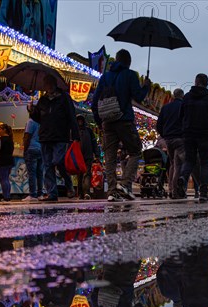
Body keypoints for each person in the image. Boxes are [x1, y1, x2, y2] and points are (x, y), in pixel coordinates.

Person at [91, 49, 151, 202]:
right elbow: (138, 97)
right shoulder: (130, 75)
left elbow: (95, 101)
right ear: (128, 62)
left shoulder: (105, 77)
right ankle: (125, 184)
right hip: (124, 120)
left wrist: (100, 122)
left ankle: (112, 191)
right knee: (135, 151)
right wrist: (146, 87)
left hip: (107, 122)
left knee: (110, 158)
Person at [176, 73, 208, 203]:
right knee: (204, 163)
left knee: (189, 160)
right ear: (207, 84)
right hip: (204, 134)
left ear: (195, 82)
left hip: (188, 134)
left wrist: (185, 127)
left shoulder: (186, 97)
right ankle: (203, 192)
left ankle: (184, 177)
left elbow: (180, 116)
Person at [32, 74, 79, 202]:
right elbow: (38, 118)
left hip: (60, 136)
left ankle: (68, 184)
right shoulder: (43, 100)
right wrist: (32, 111)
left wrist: (75, 136)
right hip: (45, 136)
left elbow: (71, 116)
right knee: (47, 165)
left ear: (53, 84)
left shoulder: (64, 98)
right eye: (45, 83)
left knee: (58, 161)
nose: (46, 86)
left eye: (48, 82)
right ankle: (52, 193)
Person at [156, 88, 185, 199]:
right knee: (179, 165)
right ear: (182, 96)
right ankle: (175, 191)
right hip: (180, 138)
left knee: (172, 164)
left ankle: (171, 190)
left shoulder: (166, 107)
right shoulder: (183, 107)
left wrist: (164, 135)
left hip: (168, 139)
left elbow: (159, 125)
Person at [22, 104, 44, 201]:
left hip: (31, 149)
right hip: (40, 149)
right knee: (40, 173)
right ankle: (40, 193)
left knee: (32, 173)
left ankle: (32, 194)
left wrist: (25, 149)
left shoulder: (30, 122)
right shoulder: (41, 123)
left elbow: (27, 136)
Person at [76, 114, 99, 199]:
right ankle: (81, 193)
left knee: (87, 174)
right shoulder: (74, 131)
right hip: (78, 157)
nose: (80, 122)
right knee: (80, 175)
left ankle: (86, 192)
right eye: (78, 121)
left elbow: (94, 143)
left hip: (87, 156)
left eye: (81, 120)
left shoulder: (89, 131)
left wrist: (97, 154)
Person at [0, 124, 14, 202]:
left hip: (2, 161)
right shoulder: (10, 140)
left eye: (0, 129)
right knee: (6, 178)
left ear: (4, 130)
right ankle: (7, 195)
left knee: (3, 179)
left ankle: (6, 196)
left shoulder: (1, 140)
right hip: (9, 161)